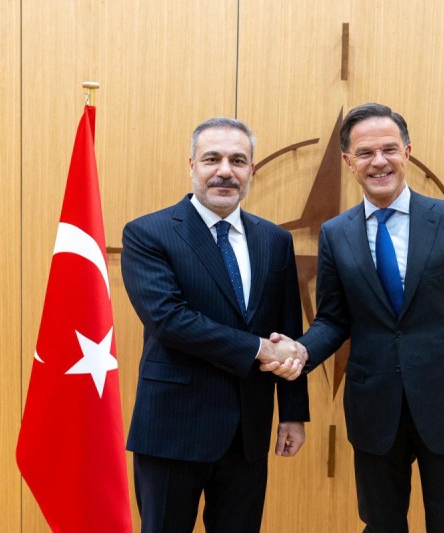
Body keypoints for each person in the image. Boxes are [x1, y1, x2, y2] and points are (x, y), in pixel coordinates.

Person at [266, 103, 444, 532]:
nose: (378, 161)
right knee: (380, 525)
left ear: (407, 153)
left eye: (389, 149)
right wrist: (301, 351)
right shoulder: (336, 234)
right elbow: (333, 320)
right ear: (349, 162)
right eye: (365, 152)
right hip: (374, 408)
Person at [121, 117, 309, 533]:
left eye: (237, 161)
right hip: (173, 430)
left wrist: (293, 413)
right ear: (192, 165)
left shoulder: (275, 240)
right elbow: (170, 320)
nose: (225, 171)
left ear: (251, 170)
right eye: (212, 159)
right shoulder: (148, 233)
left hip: (248, 432)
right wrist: (260, 349)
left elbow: (287, 330)